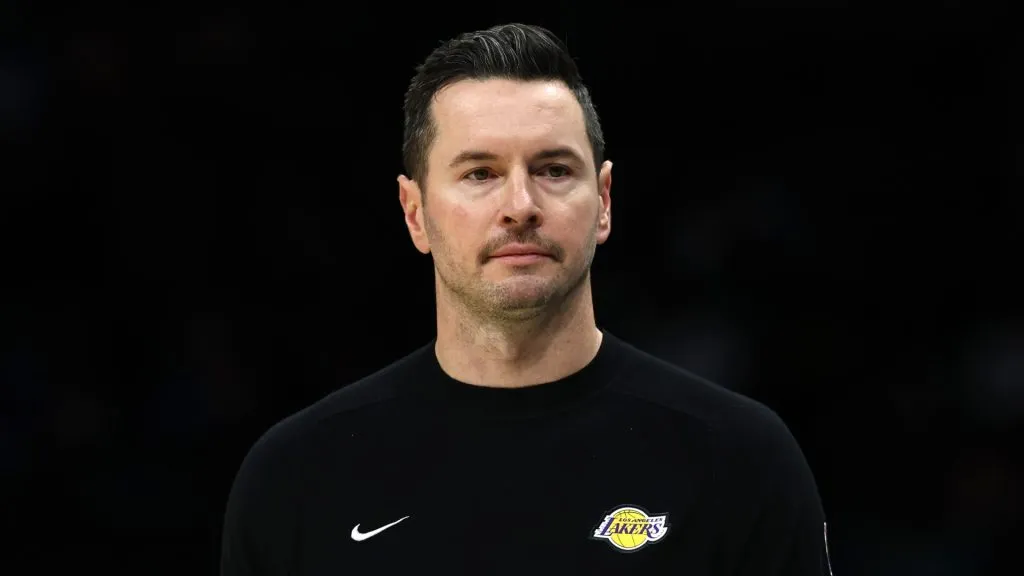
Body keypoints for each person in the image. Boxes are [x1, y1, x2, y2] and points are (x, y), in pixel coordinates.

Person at [220, 23, 832, 575]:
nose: (521, 205)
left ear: (605, 200)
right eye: (479, 173)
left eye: (554, 169)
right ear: (415, 213)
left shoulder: (742, 460)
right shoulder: (296, 479)